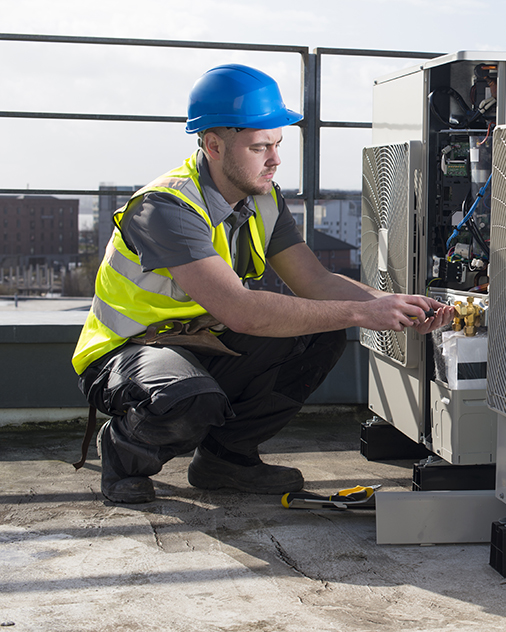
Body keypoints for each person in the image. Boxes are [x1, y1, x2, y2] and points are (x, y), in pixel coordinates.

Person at [71, 64, 453, 504]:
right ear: (213, 145)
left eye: (277, 145)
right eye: (259, 147)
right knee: (191, 400)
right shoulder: (166, 208)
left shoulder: (264, 199)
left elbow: (315, 280)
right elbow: (242, 310)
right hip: (130, 351)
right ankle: (124, 454)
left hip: (203, 343)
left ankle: (225, 459)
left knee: (320, 332)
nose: (274, 160)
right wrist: (365, 312)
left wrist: (396, 305)